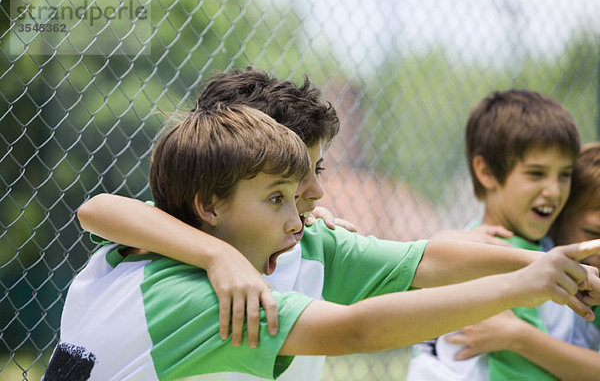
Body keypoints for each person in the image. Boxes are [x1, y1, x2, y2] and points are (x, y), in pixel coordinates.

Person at [75, 71, 600, 380]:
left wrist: (547, 264)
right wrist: (219, 257)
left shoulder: (299, 237)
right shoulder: (197, 285)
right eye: (284, 184)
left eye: (314, 170)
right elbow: (99, 209)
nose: (317, 192)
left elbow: (423, 259)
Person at [408, 90, 585, 380]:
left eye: (564, 174)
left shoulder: (540, 248)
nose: (554, 190)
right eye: (537, 173)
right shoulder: (489, 255)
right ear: (486, 171)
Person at [438, 143, 600, 381]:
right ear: (557, 217)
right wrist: (447, 240)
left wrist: (518, 335)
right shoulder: (516, 253)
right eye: (592, 233)